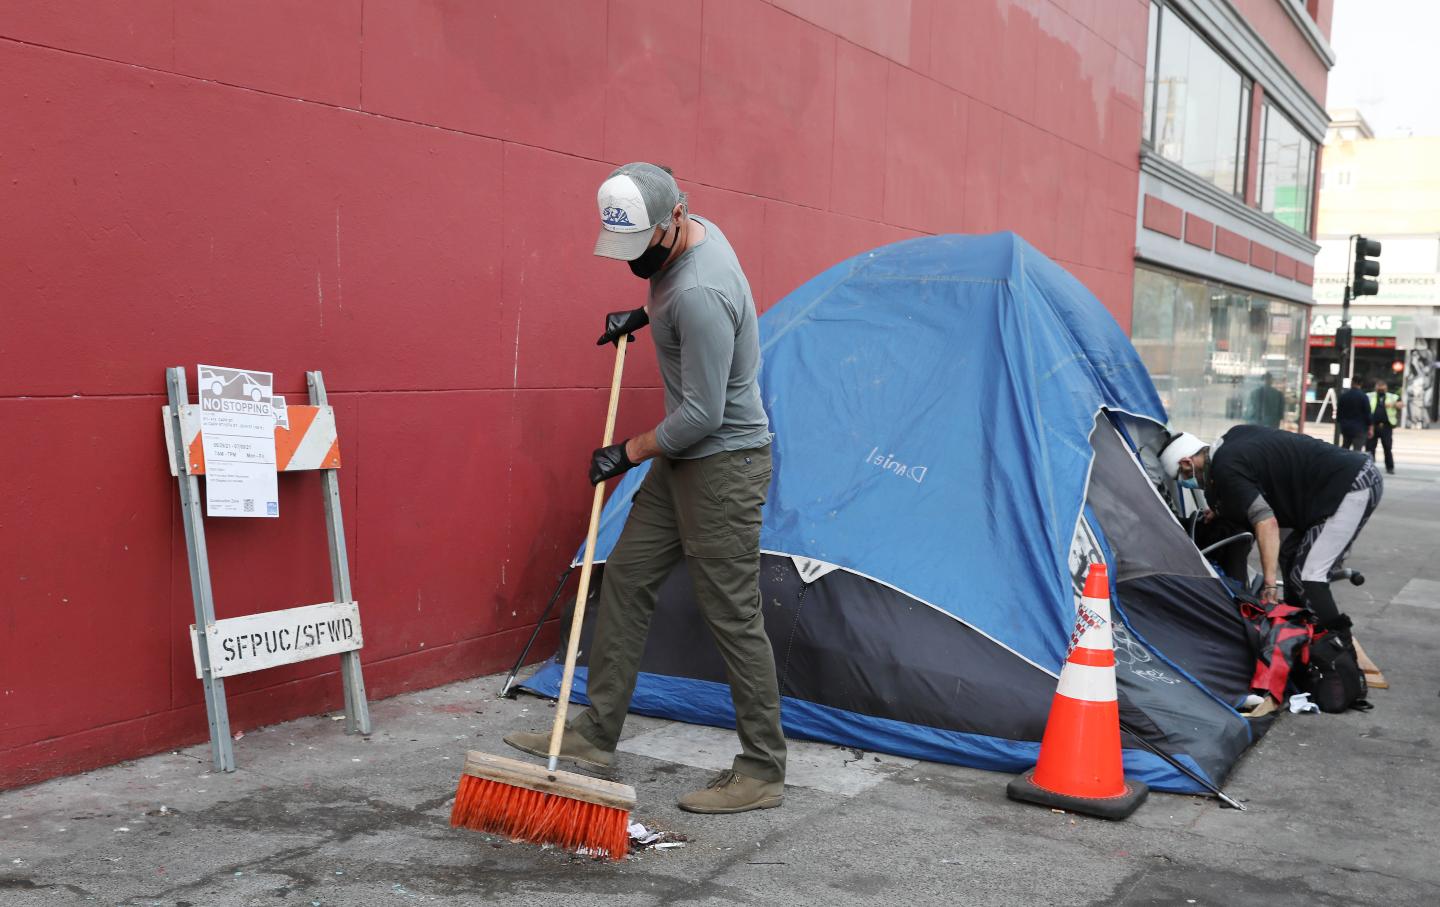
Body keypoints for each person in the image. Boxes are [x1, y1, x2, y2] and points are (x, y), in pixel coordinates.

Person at [504, 162, 786, 814]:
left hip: (723, 464)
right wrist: (642, 315)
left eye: (645, 252)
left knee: (733, 615)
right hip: (684, 460)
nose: (638, 262)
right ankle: (595, 735)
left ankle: (764, 768)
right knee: (627, 577)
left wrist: (625, 452)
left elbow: (703, 416)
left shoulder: (700, 294)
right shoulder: (689, 245)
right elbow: (671, 293)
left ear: (675, 218)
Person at [1159, 427, 1382, 647]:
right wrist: (1220, 508)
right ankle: (1300, 638)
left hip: (1353, 484)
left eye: (1184, 478)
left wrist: (1269, 585)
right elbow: (1251, 478)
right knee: (1290, 557)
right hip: (1332, 486)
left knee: (1309, 577)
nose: (1189, 484)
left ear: (1187, 463)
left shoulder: (1226, 467)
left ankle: (1338, 650)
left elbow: (1266, 522)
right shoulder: (1229, 444)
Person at [1367, 379, 1400, 474]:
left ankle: (1390, 467)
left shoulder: (1392, 396)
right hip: (1372, 426)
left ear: (1386, 388)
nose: (1381, 389)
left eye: (1383, 388)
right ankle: (1370, 467)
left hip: (1386, 426)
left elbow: (1401, 404)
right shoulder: (1370, 396)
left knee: (1387, 447)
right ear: (1376, 387)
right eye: (1379, 387)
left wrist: (1393, 404)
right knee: (1370, 448)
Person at [1336, 382, 1372, 452]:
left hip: (1346, 427)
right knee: (1357, 450)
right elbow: (1367, 413)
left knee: (1345, 448)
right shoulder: (1363, 396)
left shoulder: (1344, 396)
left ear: (1351, 383)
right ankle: (1354, 462)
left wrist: (1341, 423)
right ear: (1360, 384)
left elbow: (1339, 412)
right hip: (1360, 428)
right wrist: (1370, 426)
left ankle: (1343, 462)